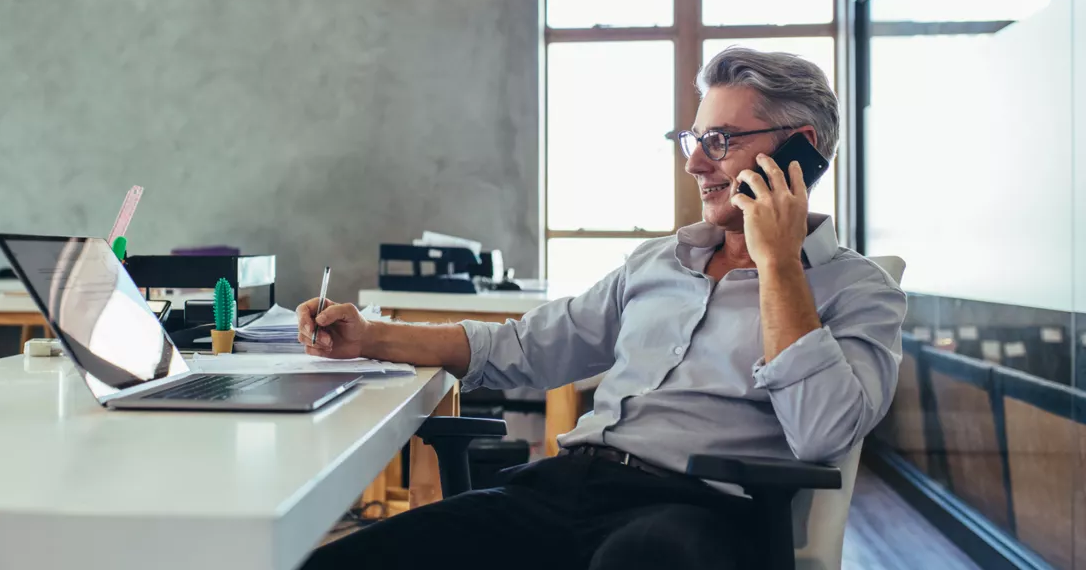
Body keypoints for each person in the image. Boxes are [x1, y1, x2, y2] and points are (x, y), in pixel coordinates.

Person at [296, 47, 906, 570]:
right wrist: (368, 336)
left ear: (801, 151)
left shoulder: (858, 290)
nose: (694, 163)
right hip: (562, 489)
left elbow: (823, 431)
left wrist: (776, 264)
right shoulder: (657, 263)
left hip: (696, 514)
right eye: (694, 140)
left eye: (719, 142)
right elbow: (520, 348)